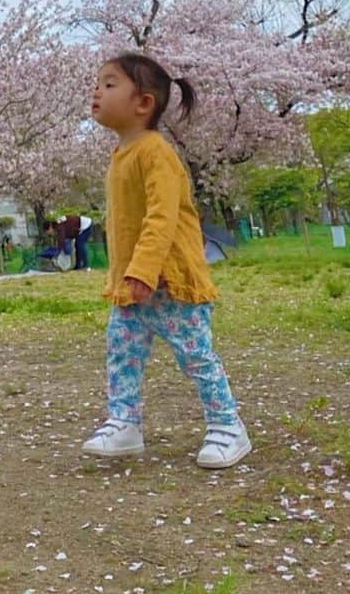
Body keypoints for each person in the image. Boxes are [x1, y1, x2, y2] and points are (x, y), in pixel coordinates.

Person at [81, 52, 251, 470]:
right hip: (132, 285)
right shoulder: (122, 154)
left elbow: (163, 215)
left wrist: (144, 268)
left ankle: (228, 425)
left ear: (143, 103)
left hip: (171, 281)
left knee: (195, 354)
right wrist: (126, 273)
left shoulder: (155, 151)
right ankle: (125, 422)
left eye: (108, 84)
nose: (96, 91)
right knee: (122, 352)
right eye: (97, 83)